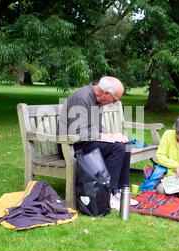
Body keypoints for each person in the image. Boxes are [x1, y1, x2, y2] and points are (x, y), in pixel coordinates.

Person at [58, 76, 139, 210]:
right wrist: (109, 136)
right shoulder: (81, 98)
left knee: (125, 145)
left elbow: (98, 128)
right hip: (71, 146)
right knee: (118, 148)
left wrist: (114, 136)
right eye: (114, 100)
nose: (113, 103)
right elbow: (79, 133)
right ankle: (110, 194)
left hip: (85, 143)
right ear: (106, 93)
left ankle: (120, 192)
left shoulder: (98, 100)